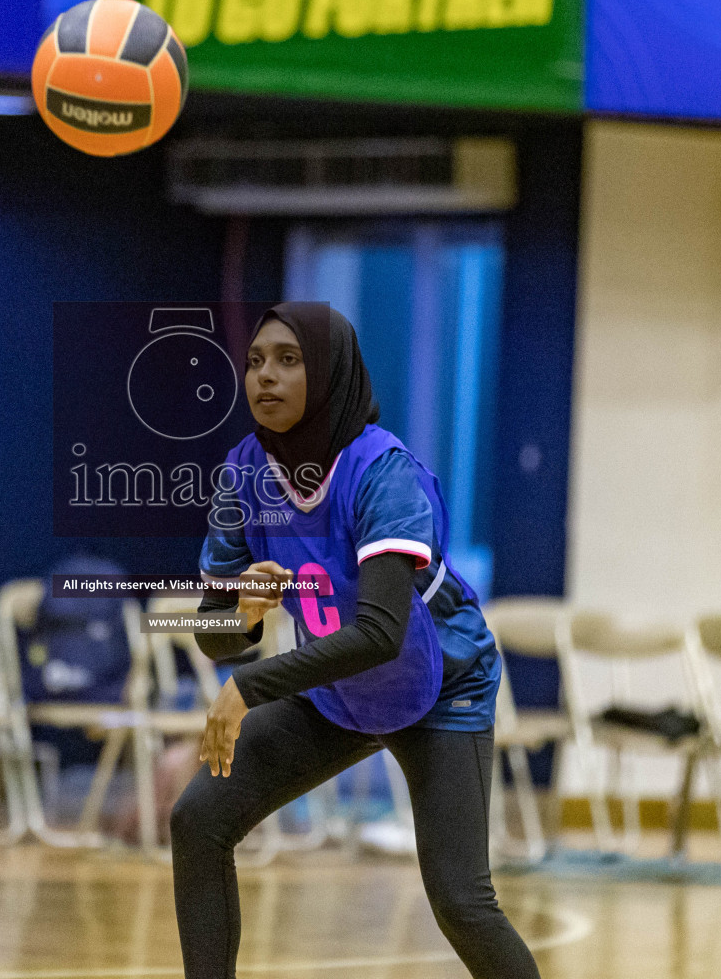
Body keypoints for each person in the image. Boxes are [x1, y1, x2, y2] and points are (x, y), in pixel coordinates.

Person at [172, 303, 541, 979]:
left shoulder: (384, 473)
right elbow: (210, 637)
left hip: (439, 685)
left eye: (289, 360)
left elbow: (379, 634)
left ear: (332, 372)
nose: (266, 377)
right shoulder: (243, 474)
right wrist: (241, 615)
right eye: (255, 362)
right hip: (337, 689)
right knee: (198, 821)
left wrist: (250, 685)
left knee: (462, 900)